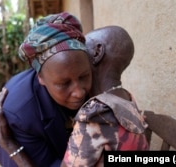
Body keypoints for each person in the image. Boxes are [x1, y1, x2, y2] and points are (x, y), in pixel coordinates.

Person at [0, 12, 93, 167]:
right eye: (64, 83)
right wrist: (9, 144)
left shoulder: (96, 77)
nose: (79, 92)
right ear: (40, 78)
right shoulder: (19, 115)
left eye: (84, 77)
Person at [61, 26, 149, 167]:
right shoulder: (126, 96)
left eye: (83, 47)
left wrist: (11, 143)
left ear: (97, 52)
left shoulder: (95, 112)